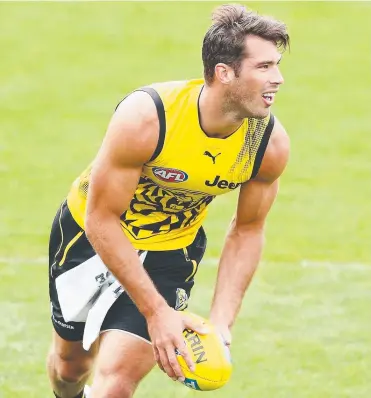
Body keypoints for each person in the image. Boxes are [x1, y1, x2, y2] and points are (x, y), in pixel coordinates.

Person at [47, 3, 290, 398]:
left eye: (277, 65)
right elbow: (102, 220)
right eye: (263, 67)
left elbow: (248, 230)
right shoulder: (148, 118)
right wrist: (156, 312)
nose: (278, 79)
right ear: (224, 73)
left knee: (117, 384)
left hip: (171, 250)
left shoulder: (266, 144)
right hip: (88, 237)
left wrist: (221, 325)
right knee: (70, 365)